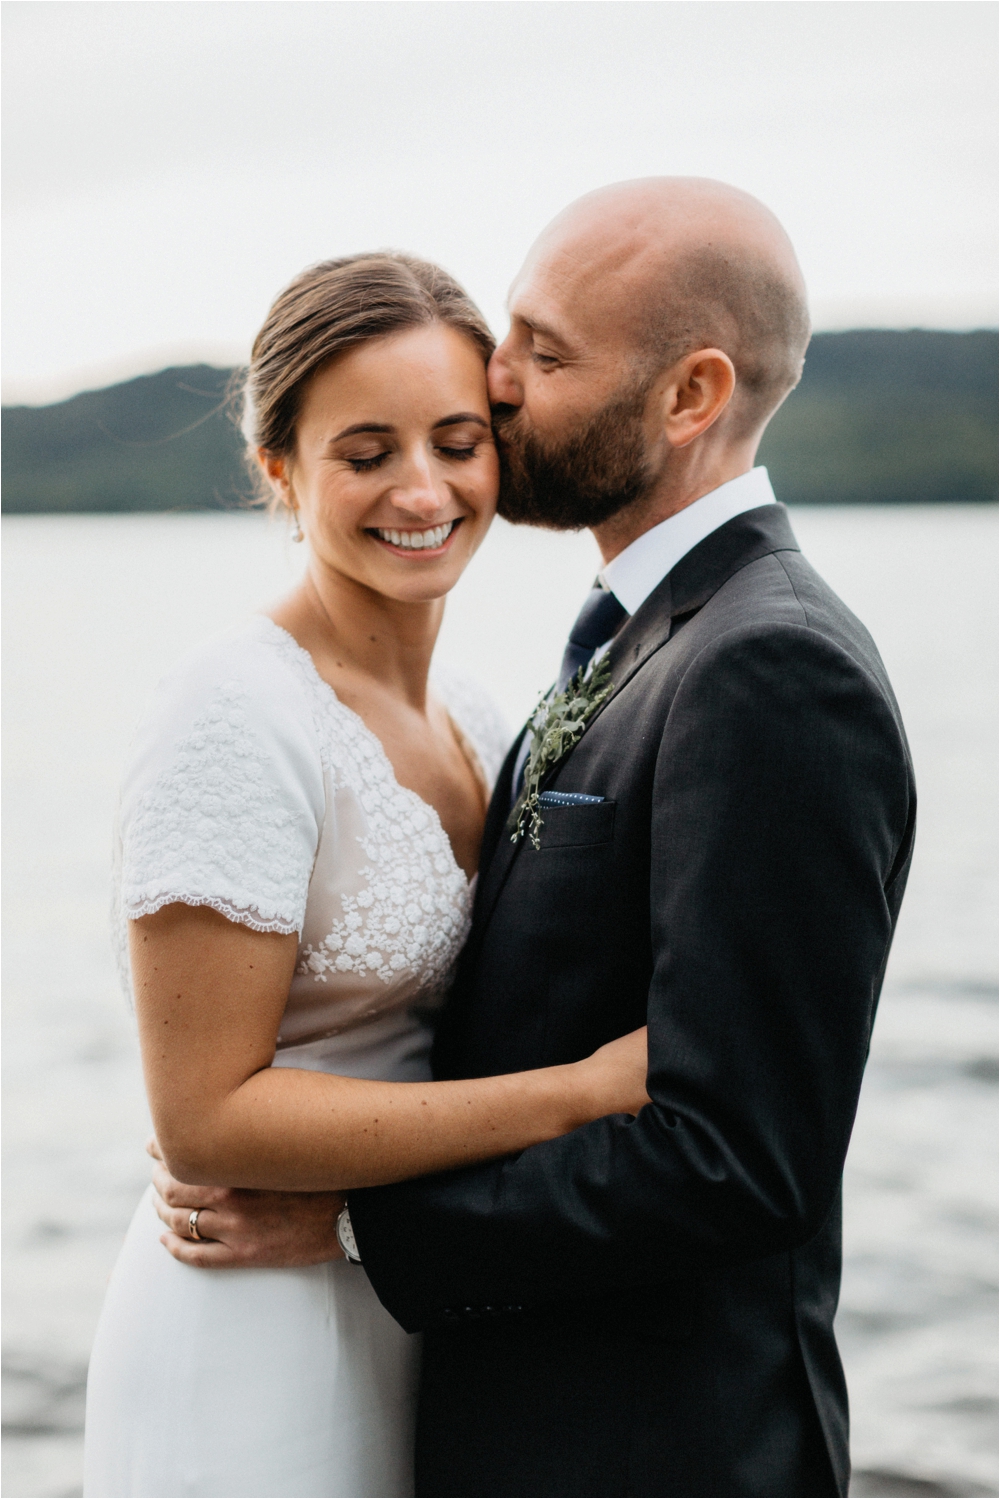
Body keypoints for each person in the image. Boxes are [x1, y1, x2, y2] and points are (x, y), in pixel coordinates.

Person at [153, 178, 917, 1499]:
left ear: (689, 397)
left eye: (544, 355)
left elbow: (736, 1156)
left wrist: (349, 1225)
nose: (500, 384)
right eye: (512, 335)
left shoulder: (771, 663)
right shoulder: (639, 633)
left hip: (656, 1449)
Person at [82, 251, 651, 1499]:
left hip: (409, 1290)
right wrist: (579, 1093)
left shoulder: (481, 712)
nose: (422, 488)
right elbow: (206, 1115)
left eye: (457, 441)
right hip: (254, 1331)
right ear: (279, 469)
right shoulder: (234, 712)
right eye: (366, 451)